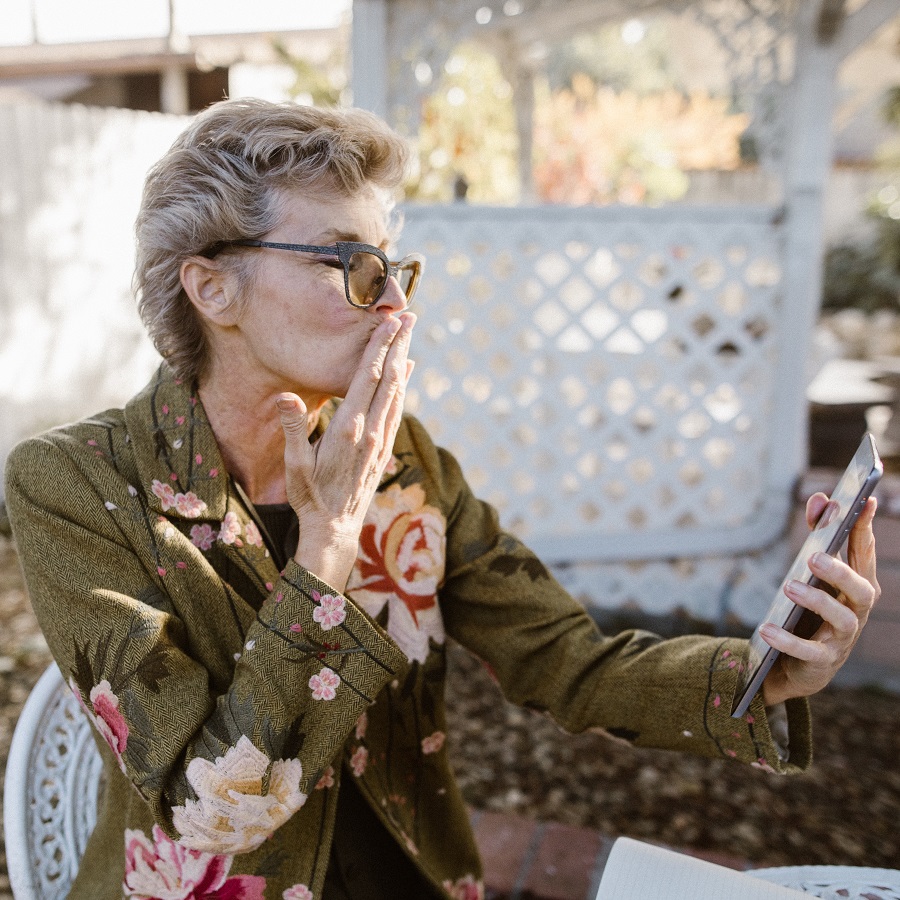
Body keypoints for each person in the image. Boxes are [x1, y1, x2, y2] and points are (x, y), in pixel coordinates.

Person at [4, 98, 880, 900]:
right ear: (212, 287)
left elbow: (566, 661)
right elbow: (212, 812)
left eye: (394, 270)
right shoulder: (75, 486)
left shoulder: (404, 461)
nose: (395, 308)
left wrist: (766, 674)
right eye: (351, 266)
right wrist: (328, 546)